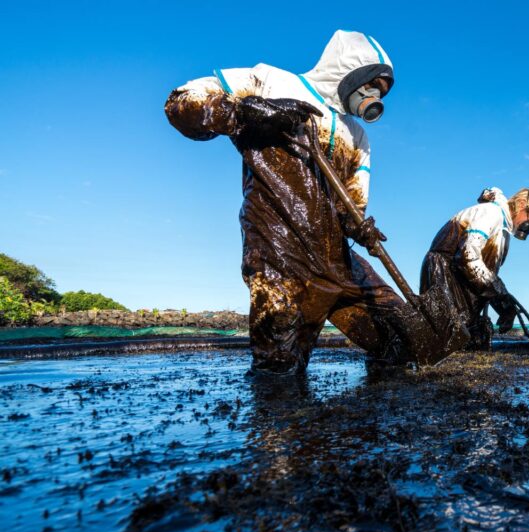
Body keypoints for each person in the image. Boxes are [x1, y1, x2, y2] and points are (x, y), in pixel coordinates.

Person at [165, 30, 419, 374]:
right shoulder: (270, 81)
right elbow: (182, 102)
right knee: (280, 365)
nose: (375, 97)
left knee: (402, 339)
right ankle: (282, 422)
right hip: (278, 248)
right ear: (351, 72)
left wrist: (361, 229)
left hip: (337, 259)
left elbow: (352, 207)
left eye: (382, 93)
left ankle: (359, 426)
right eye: (372, 85)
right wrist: (246, 113)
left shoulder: (359, 135)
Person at [420, 187, 529, 349]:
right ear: (520, 204)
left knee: (470, 340)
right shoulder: (492, 213)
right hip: (442, 271)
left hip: (458, 276)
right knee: (447, 340)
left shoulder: (504, 232)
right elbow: (467, 255)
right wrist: (501, 294)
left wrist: (504, 305)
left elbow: (486, 275)